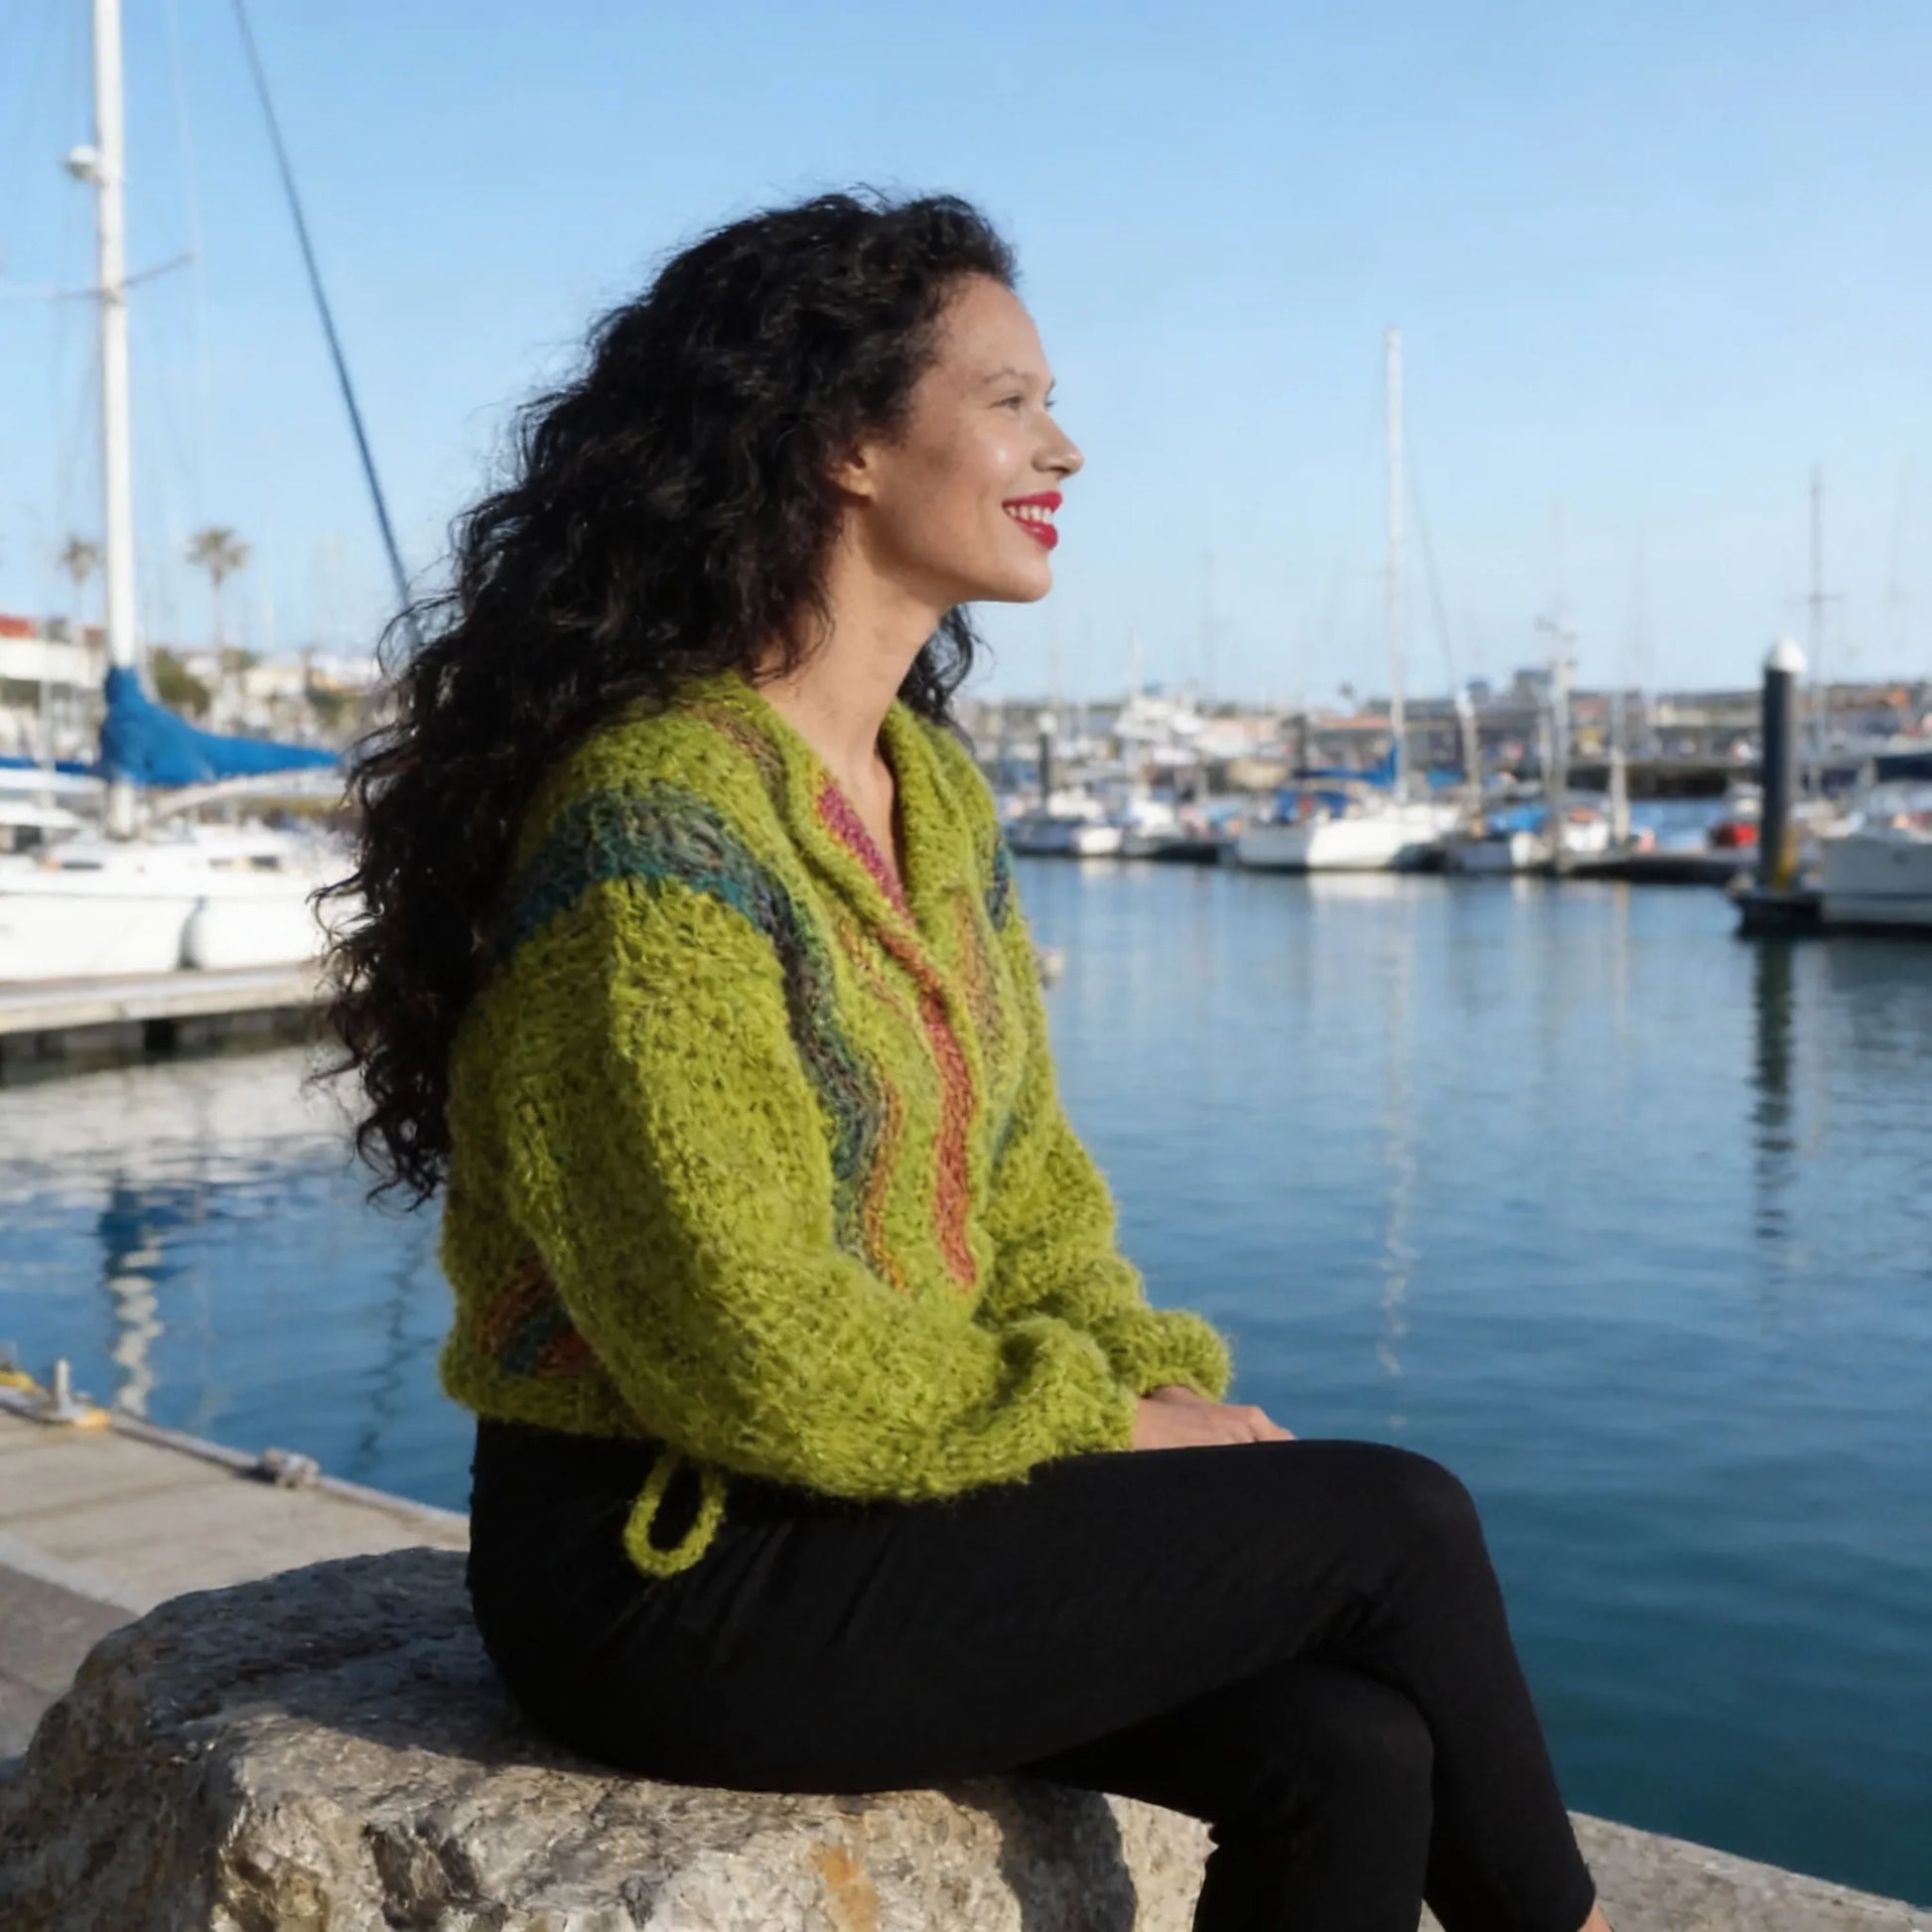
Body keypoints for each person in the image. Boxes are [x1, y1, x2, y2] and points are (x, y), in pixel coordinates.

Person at [324, 189, 1608, 1932]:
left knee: (1354, 1747)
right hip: (673, 1567)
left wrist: (1172, 1396)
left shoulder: (929, 803)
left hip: (878, 1509)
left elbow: (1034, 1209)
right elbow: (744, 1346)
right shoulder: (658, 821)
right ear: (845, 438)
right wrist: (1109, 1422)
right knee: (1395, 1518)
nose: (1061, 443)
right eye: (1009, 398)